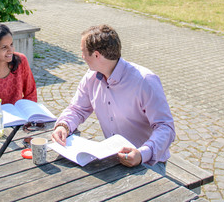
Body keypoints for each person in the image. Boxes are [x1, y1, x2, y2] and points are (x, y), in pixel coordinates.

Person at [51, 24, 175, 168]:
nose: (82, 57)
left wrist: (142, 154)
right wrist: (63, 125)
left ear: (96, 55)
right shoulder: (90, 78)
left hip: (148, 163)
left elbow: (166, 127)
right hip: (114, 158)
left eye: (83, 52)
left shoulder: (145, 81)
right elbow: (77, 109)